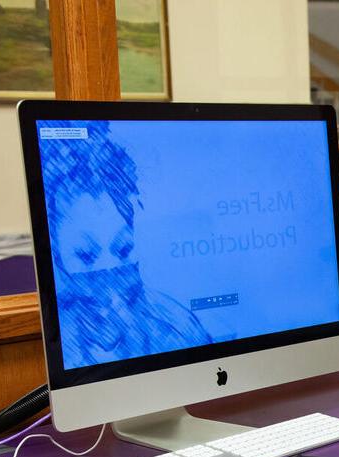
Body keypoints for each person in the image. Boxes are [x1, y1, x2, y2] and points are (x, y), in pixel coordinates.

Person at [39, 120, 212, 369]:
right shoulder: (61, 339)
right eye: (86, 255)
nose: (109, 267)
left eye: (123, 250)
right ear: (56, 254)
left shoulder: (176, 326)